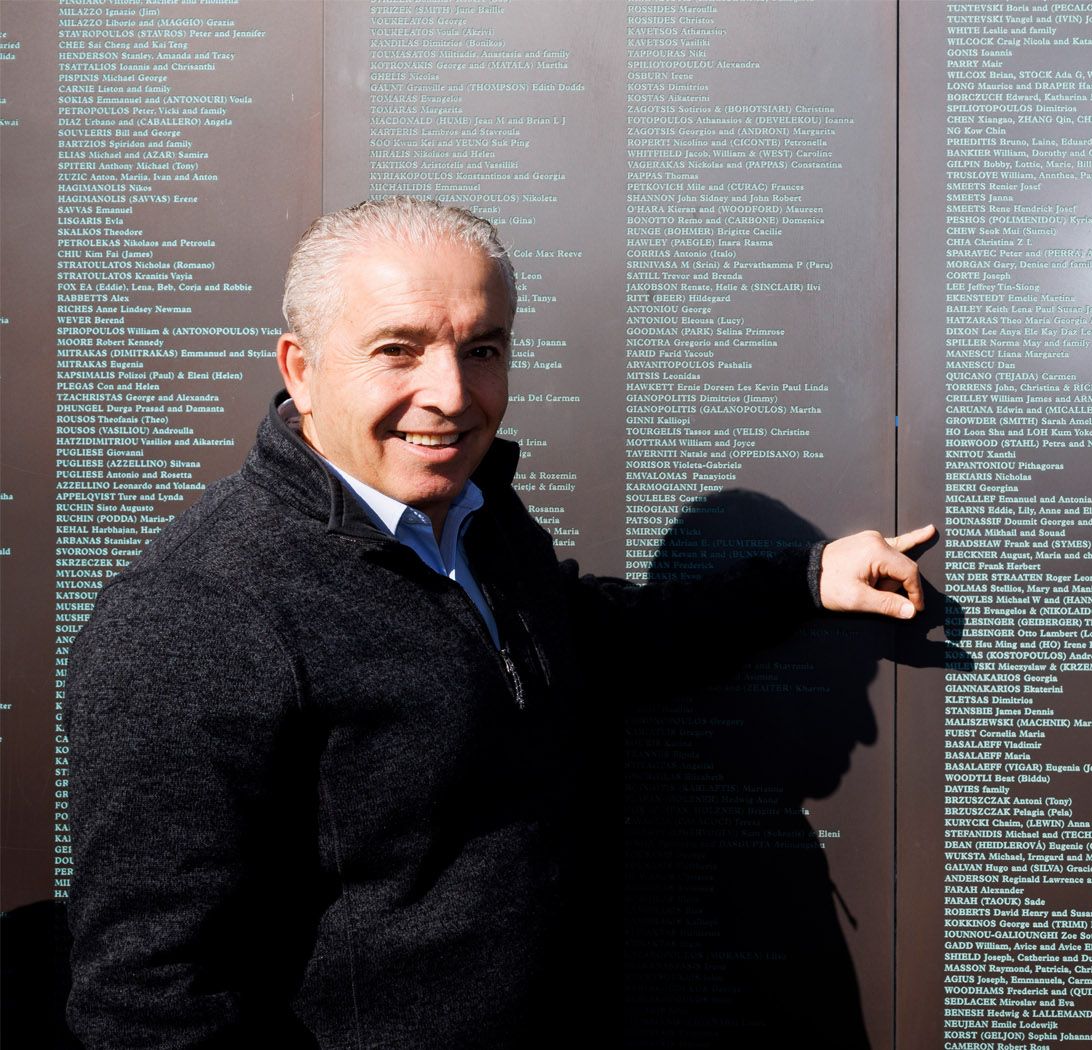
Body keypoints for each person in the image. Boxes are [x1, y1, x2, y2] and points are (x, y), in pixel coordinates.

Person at [65, 197, 933, 1048]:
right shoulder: (193, 614)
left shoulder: (475, 515)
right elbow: (150, 1003)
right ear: (301, 368)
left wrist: (801, 581)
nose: (450, 395)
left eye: (481, 349)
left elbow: (583, 635)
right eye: (397, 350)